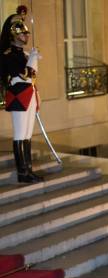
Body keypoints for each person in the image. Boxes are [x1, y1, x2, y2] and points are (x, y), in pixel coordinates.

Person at [0, 5, 44, 183]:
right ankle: (22, 172)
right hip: (19, 98)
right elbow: (26, 74)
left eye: (26, 33)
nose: (26, 36)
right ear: (13, 35)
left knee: (27, 134)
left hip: (29, 96)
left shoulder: (25, 54)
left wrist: (31, 57)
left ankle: (29, 169)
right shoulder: (8, 55)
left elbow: (33, 78)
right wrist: (32, 59)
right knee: (20, 134)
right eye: (23, 33)